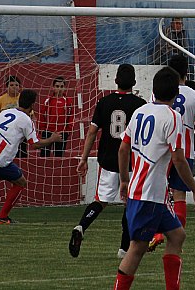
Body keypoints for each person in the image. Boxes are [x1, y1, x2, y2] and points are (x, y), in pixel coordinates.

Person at [113, 67, 195, 290]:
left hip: (149, 193)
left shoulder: (140, 111)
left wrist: (124, 180)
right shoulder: (173, 117)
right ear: (176, 93)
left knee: (177, 235)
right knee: (137, 248)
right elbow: (179, 160)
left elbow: (123, 149)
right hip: (149, 195)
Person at [68, 64, 146, 259]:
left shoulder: (104, 102)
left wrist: (84, 158)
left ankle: (81, 226)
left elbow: (93, 132)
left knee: (101, 201)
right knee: (130, 203)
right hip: (130, 162)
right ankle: (123, 248)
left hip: (108, 160)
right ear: (134, 82)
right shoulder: (140, 105)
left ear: (116, 81)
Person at [0, 90, 62, 224]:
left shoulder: (5, 112)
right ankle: (2, 217)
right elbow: (35, 144)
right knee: (21, 182)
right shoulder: (27, 120)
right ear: (32, 105)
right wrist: (52, 139)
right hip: (0, 159)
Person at [147, 54, 195, 252]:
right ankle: (176, 237)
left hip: (163, 151)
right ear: (186, 72)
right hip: (185, 152)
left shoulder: (158, 92)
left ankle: (157, 234)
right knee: (180, 196)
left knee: (161, 195)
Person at [0, 75, 29, 158]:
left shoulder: (22, 98)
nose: (14, 87)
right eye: (11, 85)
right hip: (5, 132)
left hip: (20, 131)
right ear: (6, 87)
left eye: (16, 85)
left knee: (21, 154)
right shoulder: (1, 99)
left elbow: (30, 114)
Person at [39, 76, 73, 157]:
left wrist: (68, 130)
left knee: (59, 156)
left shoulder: (68, 101)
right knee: (44, 155)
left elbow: (70, 116)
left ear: (65, 88)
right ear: (53, 87)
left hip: (61, 132)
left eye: (61, 86)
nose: (59, 89)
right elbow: (42, 116)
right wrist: (42, 130)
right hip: (48, 132)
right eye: (57, 86)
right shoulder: (48, 101)